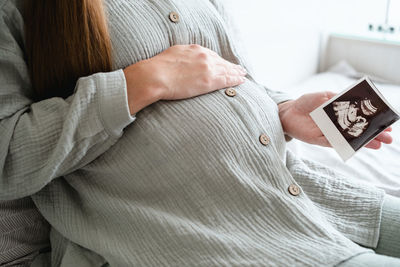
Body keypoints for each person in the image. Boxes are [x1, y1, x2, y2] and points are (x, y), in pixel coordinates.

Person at [0, 0, 399, 266]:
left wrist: (284, 109)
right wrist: (142, 82)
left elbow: (235, 75)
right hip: (212, 236)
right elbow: (9, 155)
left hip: (310, 196)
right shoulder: (17, 11)